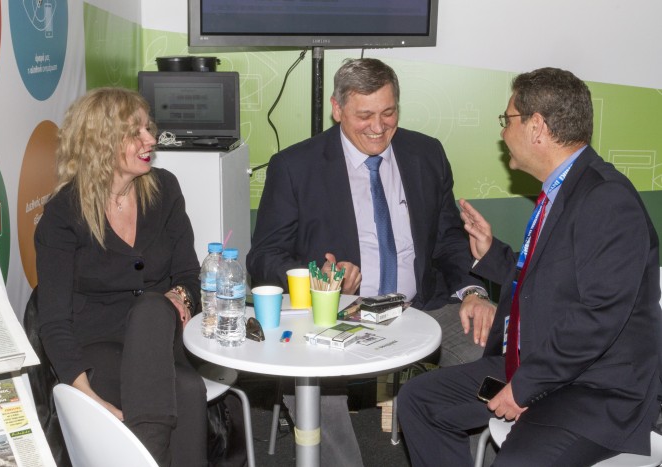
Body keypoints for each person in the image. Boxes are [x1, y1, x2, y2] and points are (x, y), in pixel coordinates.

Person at [398, 67, 661, 466]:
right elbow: (549, 280)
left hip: (593, 390)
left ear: (536, 126)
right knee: (420, 400)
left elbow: (598, 318)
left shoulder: (607, 200)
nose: (503, 133)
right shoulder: (564, 189)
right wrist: (491, 254)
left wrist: (524, 388)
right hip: (541, 365)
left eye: (508, 120)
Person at [247, 58, 496, 365]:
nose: (378, 128)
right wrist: (317, 281)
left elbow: (449, 239)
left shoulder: (426, 154)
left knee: (493, 352)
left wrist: (473, 293)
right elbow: (264, 256)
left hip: (423, 308)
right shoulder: (295, 167)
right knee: (323, 379)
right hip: (336, 315)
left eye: (388, 113)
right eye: (365, 116)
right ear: (337, 109)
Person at [35, 87, 207, 467]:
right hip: (98, 346)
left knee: (152, 309)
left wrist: (180, 295)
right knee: (188, 389)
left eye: (148, 128)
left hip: (161, 338)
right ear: (101, 143)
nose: (151, 140)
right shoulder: (63, 216)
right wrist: (86, 395)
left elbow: (188, 275)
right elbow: (53, 322)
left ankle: (147, 457)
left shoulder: (164, 190)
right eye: (135, 133)